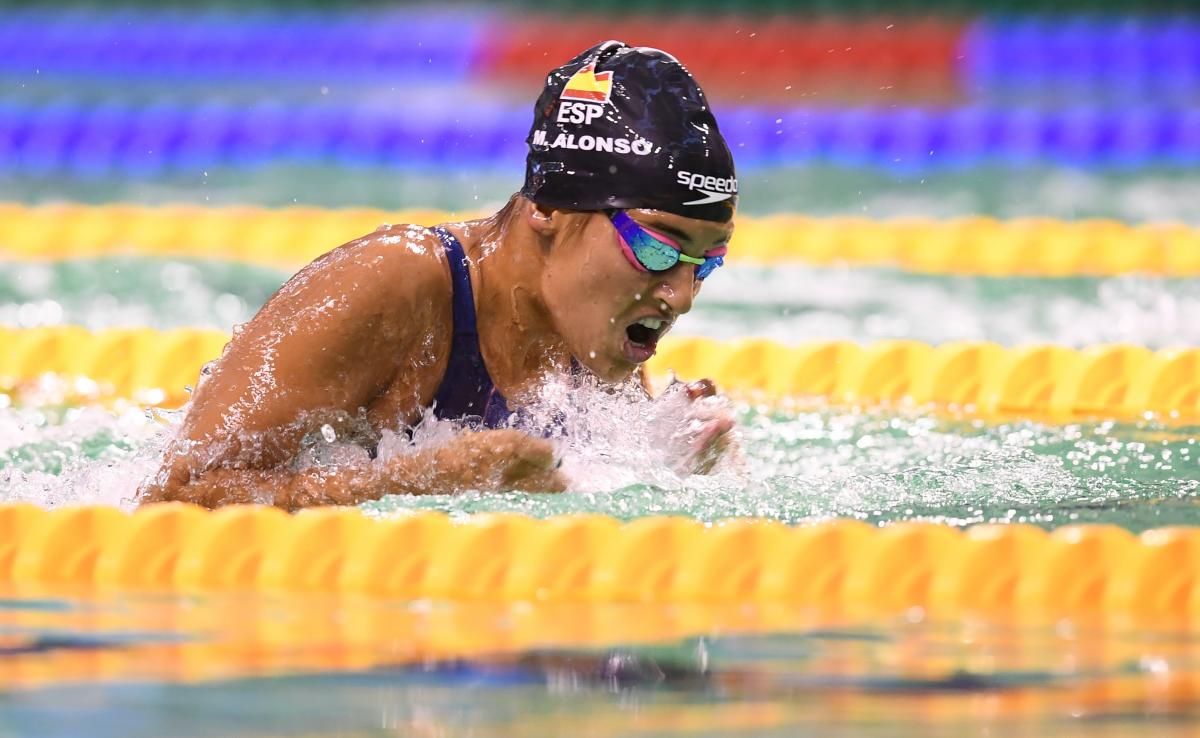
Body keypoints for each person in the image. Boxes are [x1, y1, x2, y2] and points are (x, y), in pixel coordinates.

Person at [138, 40, 738, 511]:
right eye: (659, 250)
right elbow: (175, 497)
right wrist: (408, 483)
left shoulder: (588, 330)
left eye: (706, 261)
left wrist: (668, 472)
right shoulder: (395, 281)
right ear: (550, 209)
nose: (681, 296)